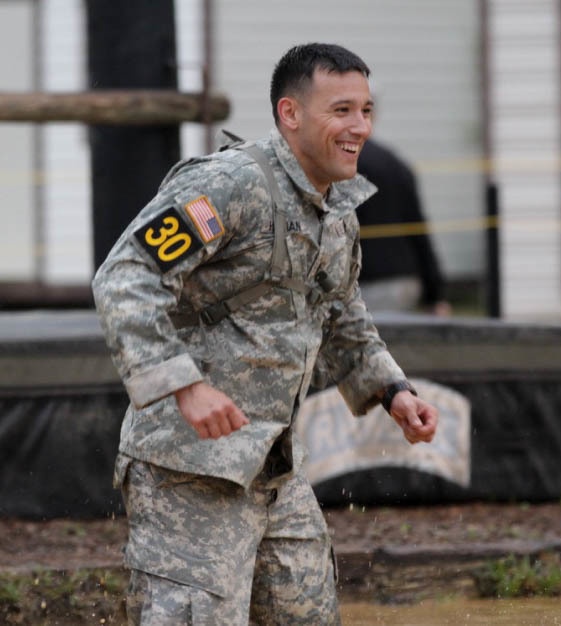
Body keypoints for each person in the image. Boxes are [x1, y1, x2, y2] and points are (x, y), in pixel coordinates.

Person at [92, 43, 438, 625]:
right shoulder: (229, 185)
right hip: (189, 472)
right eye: (342, 110)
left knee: (308, 613)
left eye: (367, 110)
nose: (360, 128)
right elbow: (126, 276)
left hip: (275, 467)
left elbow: (341, 312)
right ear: (290, 114)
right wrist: (186, 385)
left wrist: (391, 390)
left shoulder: (338, 208)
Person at [356, 137, 452, 316]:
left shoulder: (342, 165)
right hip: (405, 279)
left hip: (366, 281)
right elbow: (418, 230)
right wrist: (435, 293)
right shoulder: (396, 163)